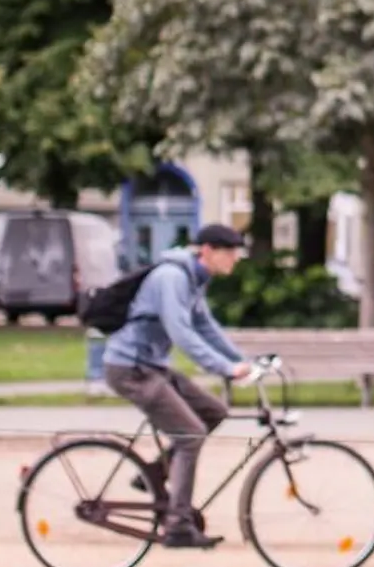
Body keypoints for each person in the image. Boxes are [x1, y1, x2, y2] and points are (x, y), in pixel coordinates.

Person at [101, 225, 265, 548]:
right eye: (229, 252)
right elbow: (181, 333)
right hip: (130, 368)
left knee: (214, 412)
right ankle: (178, 526)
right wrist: (225, 368)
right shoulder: (172, 278)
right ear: (207, 251)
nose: (235, 259)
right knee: (190, 434)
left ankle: (153, 473)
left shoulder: (194, 279)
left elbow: (205, 326)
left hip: (151, 366)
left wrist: (243, 361)